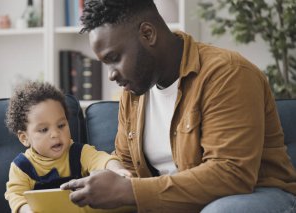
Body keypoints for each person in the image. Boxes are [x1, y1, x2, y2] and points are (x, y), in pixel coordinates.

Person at [60, 0, 296, 212]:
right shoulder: (134, 91)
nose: (111, 75)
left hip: (257, 196)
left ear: (148, 34)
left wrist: (128, 191)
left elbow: (232, 175)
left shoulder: (227, 74)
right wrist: (107, 179)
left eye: (114, 58)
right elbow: (127, 165)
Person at [4, 81, 131, 213]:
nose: (55, 134)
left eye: (61, 125)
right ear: (25, 138)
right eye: (43, 130)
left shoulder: (79, 152)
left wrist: (117, 170)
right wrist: (27, 210)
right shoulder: (21, 167)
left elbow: (101, 159)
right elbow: (15, 196)